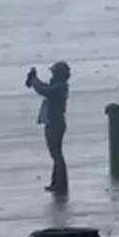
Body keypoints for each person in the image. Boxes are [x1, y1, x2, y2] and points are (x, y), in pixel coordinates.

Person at [26, 61, 71, 194]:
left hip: (54, 124)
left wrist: (34, 80)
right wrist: (35, 80)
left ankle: (60, 184)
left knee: (56, 155)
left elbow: (44, 90)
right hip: (55, 123)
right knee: (56, 155)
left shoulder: (59, 88)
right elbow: (44, 88)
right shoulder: (60, 86)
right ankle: (57, 183)